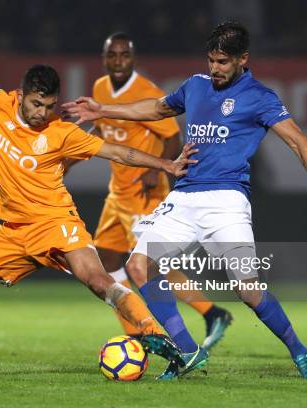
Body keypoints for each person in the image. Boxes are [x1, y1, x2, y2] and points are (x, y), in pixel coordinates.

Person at [0, 16, 199, 379]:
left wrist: (166, 166)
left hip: (56, 223)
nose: (42, 113)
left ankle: (158, 337)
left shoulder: (62, 132)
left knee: (98, 280)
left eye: (49, 106)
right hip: (13, 232)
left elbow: (119, 152)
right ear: (23, 94)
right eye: (36, 105)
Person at [63, 21, 307, 379]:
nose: (215, 68)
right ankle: (189, 351)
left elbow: (298, 141)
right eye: (211, 60)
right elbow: (156, 109)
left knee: (248, 290)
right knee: (138, 266)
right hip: (183, 196)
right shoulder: (195, 86)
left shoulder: (260, 97)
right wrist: (103, 110)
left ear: (243, 59)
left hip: (226, 200)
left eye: (223, 62)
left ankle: (300, 353)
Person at [71, 32, 233, 351]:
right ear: (104, 59)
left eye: (124, 55)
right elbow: (104, 129)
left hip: (145, 194)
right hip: (117, 192)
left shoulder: (147, 91)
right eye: (112, 55)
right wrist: (71, 155)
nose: (118, 61)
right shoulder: (101, 88)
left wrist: (151, 169)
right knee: (107, 260)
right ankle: (134, 330)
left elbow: (172, 136)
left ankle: (211, 312)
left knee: (149, 264)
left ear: (133, 58)